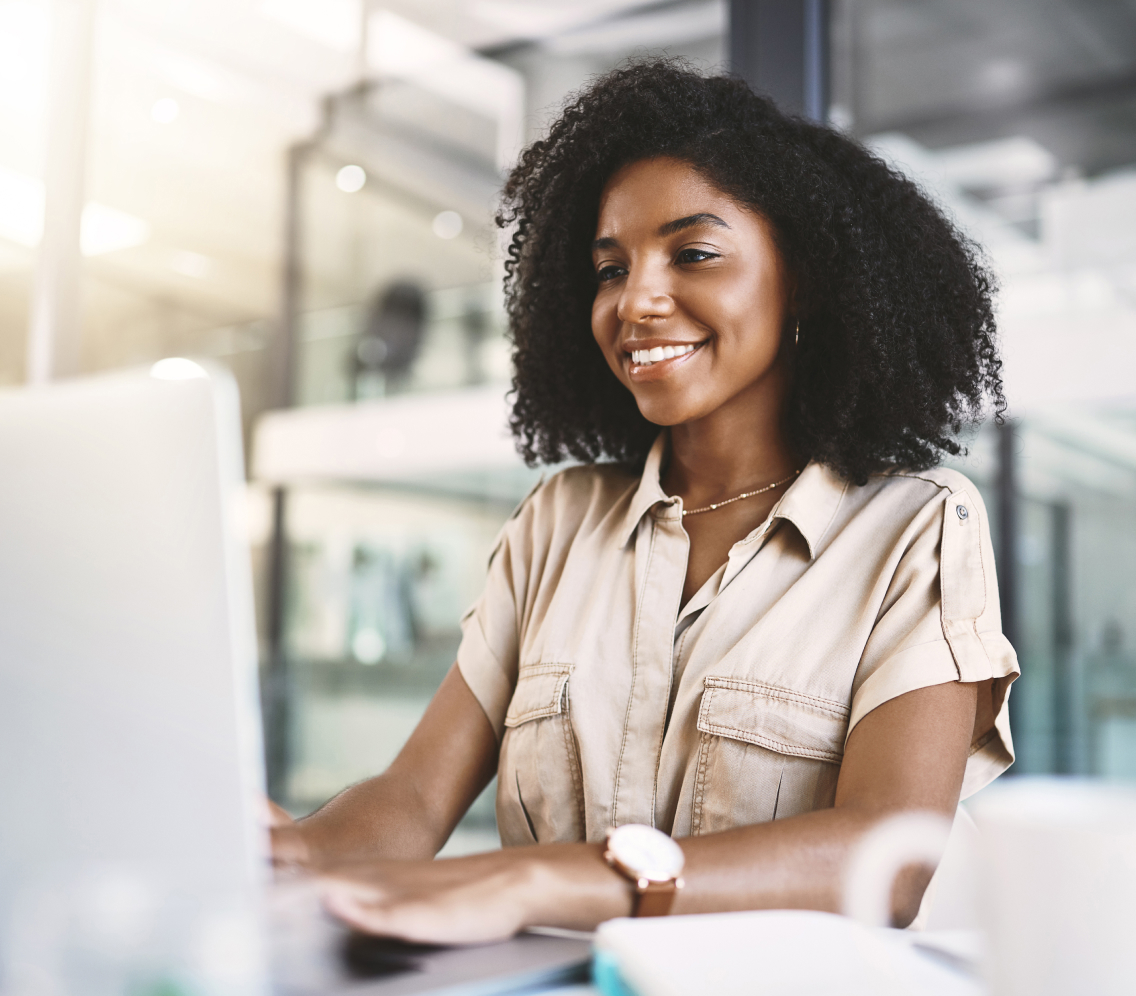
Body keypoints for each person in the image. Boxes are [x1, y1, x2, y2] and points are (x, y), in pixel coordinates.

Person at [271, 61, 1018, 941]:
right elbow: (412, 797)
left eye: (692, 254)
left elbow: (886, 861)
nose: (636, 300)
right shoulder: (558, 522)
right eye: (608, 268)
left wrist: (542, 881)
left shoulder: (914, 529)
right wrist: (290, 855)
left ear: (805, 280)